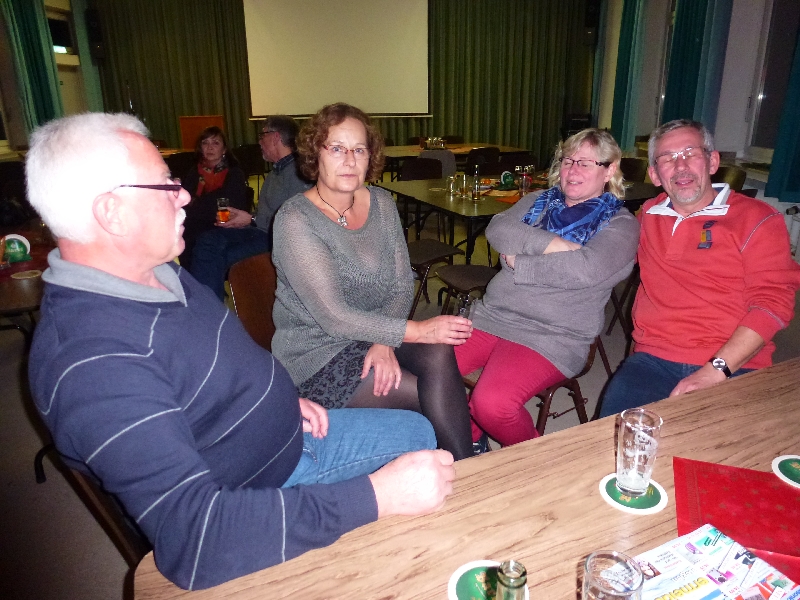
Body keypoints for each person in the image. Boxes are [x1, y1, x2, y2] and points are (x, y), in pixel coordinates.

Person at [25, 113, 455, 590]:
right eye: (166, 184)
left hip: (288, 434)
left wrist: (280, 400)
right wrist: (376, 496)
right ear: (112, 213)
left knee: (420, 433)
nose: (184, 194)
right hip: (259, 491)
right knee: (418, 486)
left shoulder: (155, 273)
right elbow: (197, 540)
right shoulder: (94, 365)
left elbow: (207, 370)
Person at [271, 103, 475, 460]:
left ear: (371, 157)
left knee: (438, 354)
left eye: (359, 150)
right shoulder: (295, 220)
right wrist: (417, 330)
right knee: (421, 394)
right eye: (337, 148)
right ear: (315, 154)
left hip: (373, 332)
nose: (350, 160)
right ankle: (464, 462)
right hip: (318, 354)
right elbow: (334, 317)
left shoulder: (381, 202)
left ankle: (466, 464)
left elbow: (401, 284)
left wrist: (384, 341)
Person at [599, 120, 800, 417]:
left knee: (719, 445)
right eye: (668, 158)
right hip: (653, 360)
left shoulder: (758, 218)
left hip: (737, 364)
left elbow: (773, 303)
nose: (681, 166)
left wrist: (715, 370)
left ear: (712, 161)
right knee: (615, 437)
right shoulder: (647, 216)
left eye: (691, 153)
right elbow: (597, 249)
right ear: (655, 174)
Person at [455, 129, 639, 449]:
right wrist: (557, 245)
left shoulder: (621, 224)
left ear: (609, 170)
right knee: (427, 372)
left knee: (492, 404)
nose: (572, 170)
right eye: (568, 161)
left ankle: (538, 459)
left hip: (554, 334)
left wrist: (520, 262)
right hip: (492, 316)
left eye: (585, 163)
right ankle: (472, 440)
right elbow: (498, 229)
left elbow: (585, 269)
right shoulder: (538, 201)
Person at [190, 116, 312, 300]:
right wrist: (244, 218)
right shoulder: (277, 171)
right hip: (262, 232)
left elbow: (295, 221)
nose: (259, 142)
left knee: (214, 255)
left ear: (275, 137)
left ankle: (206, 308)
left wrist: (252, 219)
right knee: (207, 240)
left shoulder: (297, 173)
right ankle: (208, 307)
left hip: (277, 239)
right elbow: (270, 212)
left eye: (262, 136)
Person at [179, 126, 248, 270]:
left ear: (224, 150)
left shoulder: (234, 173)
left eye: (215, 143)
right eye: (205, 143)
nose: (210, 147)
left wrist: (198, 203)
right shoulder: (194, 171)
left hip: (223, 225)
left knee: (202, 241)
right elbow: (185, 202)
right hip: (195, 224)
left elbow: (231, 205)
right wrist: (210, 202)